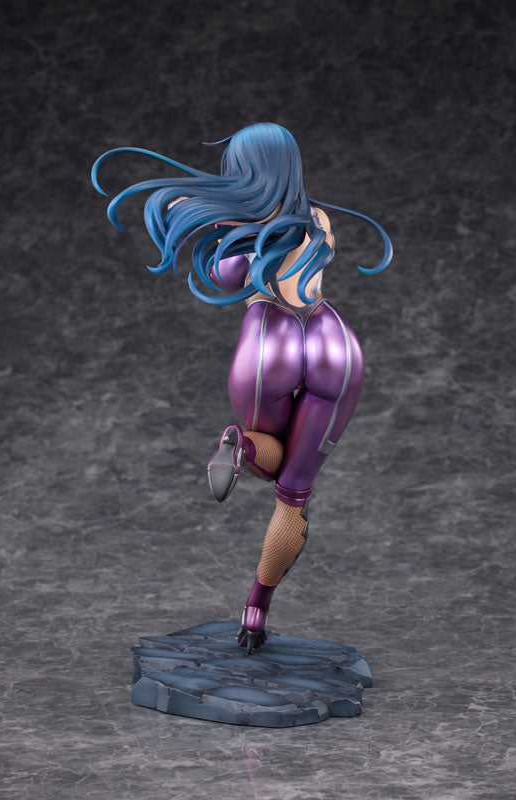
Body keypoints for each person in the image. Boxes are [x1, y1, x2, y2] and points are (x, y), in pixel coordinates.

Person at [92, 122, 392, 654]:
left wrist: (214, 222)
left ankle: (242, 447)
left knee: (267, 460)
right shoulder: (318, 219)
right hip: (332, 341)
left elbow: (225, 277)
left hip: (270, 340)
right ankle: (255, 612)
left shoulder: (243, 226)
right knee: (292, 494)